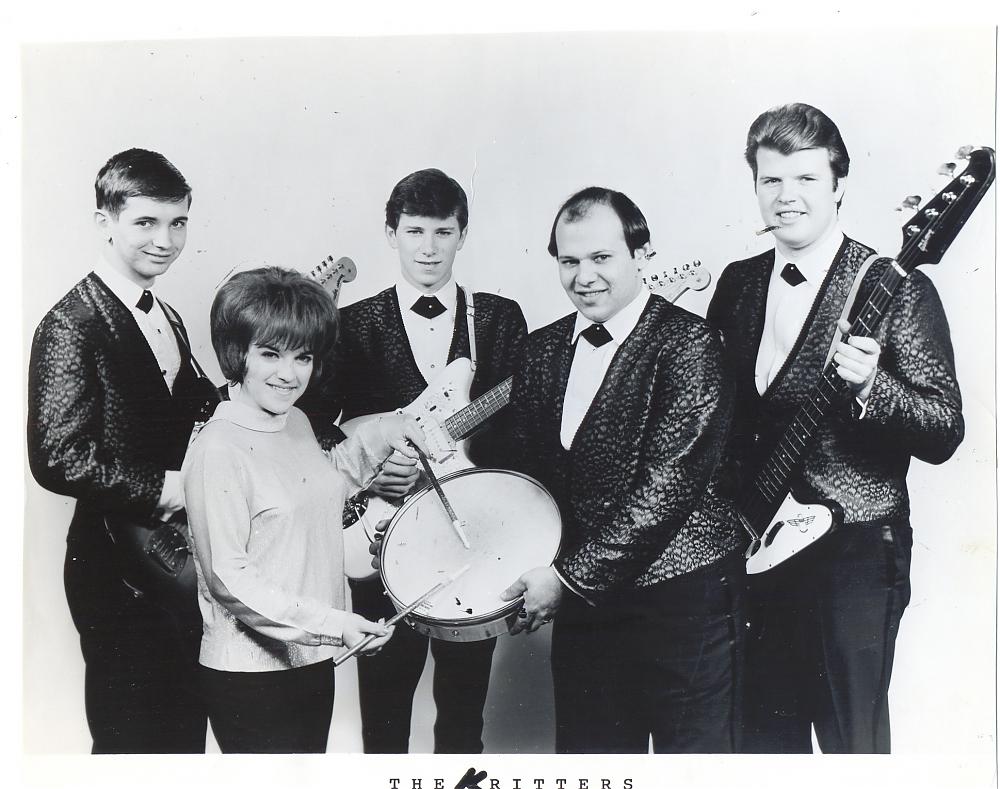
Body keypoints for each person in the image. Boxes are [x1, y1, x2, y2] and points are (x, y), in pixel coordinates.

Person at [706, 103, 964, 753]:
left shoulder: (897, 288)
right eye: (771, 180)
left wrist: (873, 387)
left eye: (806, 179)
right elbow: (720, 420)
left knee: (856, 750)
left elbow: (944, 428)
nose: (786, 196)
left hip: (856, 548)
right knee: (763, 748)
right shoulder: (738, 285)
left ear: (839, 185)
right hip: (756, 546)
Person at [500, 187, 745, 754]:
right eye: (569, 261)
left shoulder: (692, 343)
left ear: (642, 254)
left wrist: (565, 580)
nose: (584, 277)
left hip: (685, 604)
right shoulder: (540, 351)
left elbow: (668, 487)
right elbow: (527, 477)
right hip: (587, 608)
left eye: (601, 257)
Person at [302, 168, 528, 754]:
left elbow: (523, 424)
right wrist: (372, 469)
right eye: (414, 231)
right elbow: (314, 425)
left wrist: (465, 458)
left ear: (463, 235)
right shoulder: (352, 322)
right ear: (391, 234)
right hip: (384, 532)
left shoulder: (498, 317)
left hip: (469, 532)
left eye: (443, 232)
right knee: (383, 712)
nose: (429, 248)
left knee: (464, 710)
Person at [183, 266, 427, 753]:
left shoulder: (292, 420)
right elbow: (228, 577)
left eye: (303, 357)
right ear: (237, 353)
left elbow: (321, 488)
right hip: (249, 674)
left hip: (310, 660)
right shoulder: (218, 448)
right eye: (270, 354)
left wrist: (385, 433)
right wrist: (334, 624)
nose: (289, 374)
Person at [27, 149, 209, 753]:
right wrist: (167, 488)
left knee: (181, 738)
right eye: (146, 222)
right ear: (104, 221)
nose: (165, 241)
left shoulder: (168, 315)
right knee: (131, 743)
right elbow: (57, 455)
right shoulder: (70, 323)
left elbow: (195, 408)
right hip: (112, 566)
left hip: (169, 558)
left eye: (178, 223)